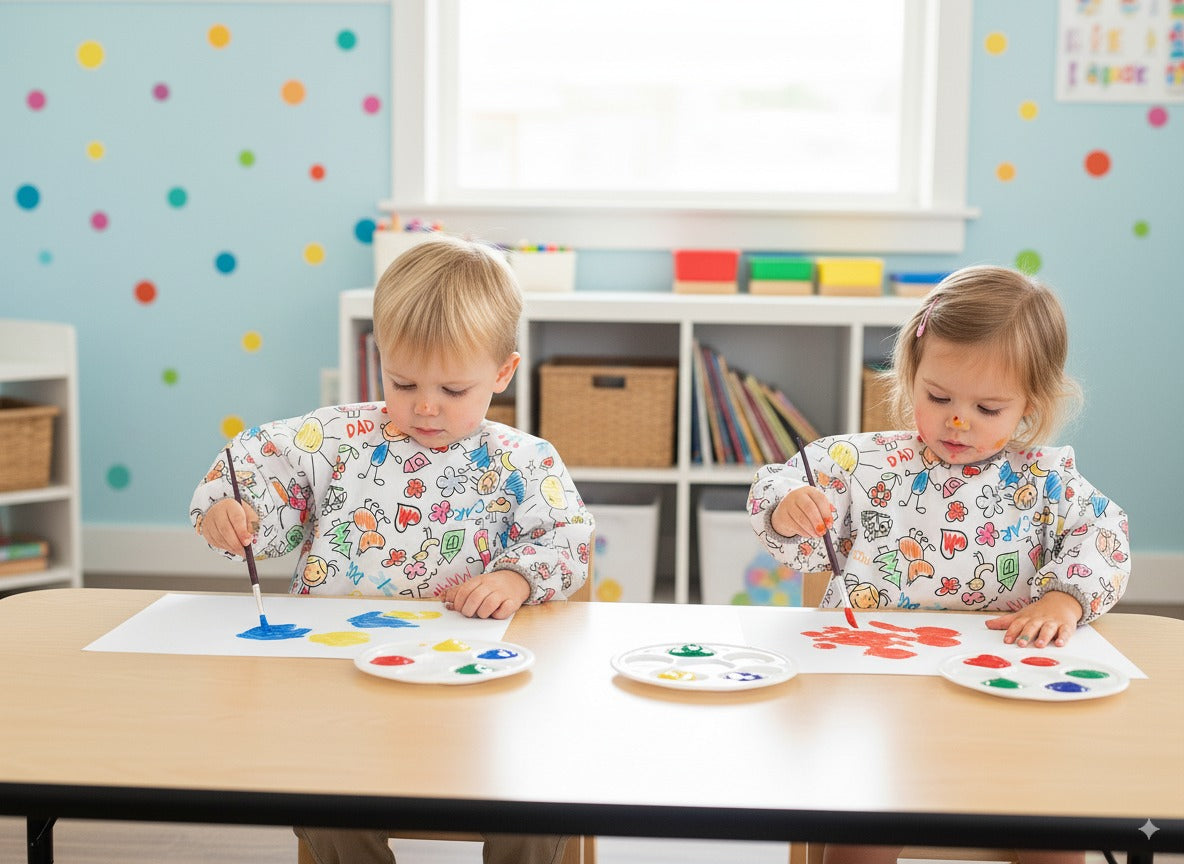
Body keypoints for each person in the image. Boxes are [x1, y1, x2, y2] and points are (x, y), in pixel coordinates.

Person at [191, 234, 592, 864]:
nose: (425, 407)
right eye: (402, 382)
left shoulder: (524, 460)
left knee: (537, 800)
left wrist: (517, 578)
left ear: (503, 373)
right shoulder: (335, 439)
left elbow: (567, 540)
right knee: (323, 802)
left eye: (454, 391)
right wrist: (231, 513)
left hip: (480, 692)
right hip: (344, 688)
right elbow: (258, 476)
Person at [748, 265, 1130, 864]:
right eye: (939, 397)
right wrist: (786, 511)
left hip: (1008, 690)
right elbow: (778, 490)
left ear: (1031, 404)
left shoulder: (1045, 478)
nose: (958, 420)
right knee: (863, 826)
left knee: (1056, 832)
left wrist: (1066, 598)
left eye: (987, 407)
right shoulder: (860, 463)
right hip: (876, 693)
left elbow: (1103, 534)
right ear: (910, 377)